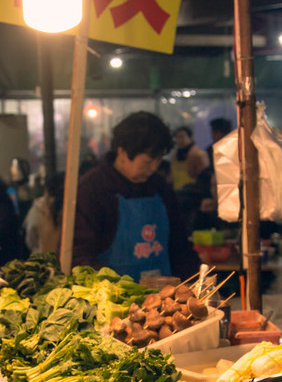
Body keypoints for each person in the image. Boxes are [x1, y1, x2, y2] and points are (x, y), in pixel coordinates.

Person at [74, 111, 198, 280]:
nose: (154, 168)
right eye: (147, 161)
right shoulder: (92, 190)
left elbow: (180, 247)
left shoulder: (160, 187)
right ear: (123, 153)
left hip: (164, 300)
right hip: (112, 301)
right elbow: (79, 256)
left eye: (159, 160)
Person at [23, 172, 63, 256]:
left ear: (46, 189)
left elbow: (30, 241)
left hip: (40, 263)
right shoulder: (71, 210)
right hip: (65, 263)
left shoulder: (37, 209)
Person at [169, 125, 209, 190]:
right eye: (177, 137)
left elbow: (204, 177)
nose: (179, 140)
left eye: (182, 137)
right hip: (177, 191)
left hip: (193, 192)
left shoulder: (199, 155)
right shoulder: (175, 155)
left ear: (190, 137)